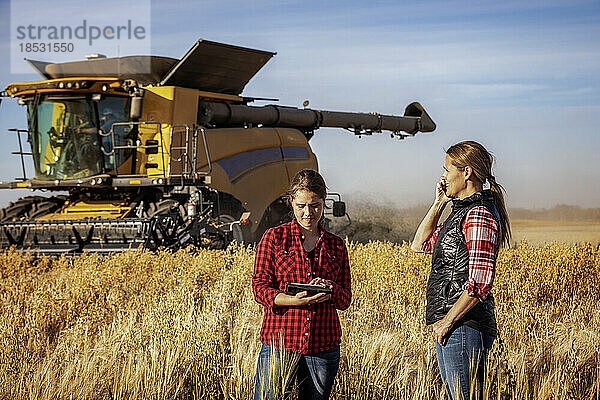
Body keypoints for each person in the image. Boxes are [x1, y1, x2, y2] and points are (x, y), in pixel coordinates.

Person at [411, 141, 511, 400]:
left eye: (447, 170)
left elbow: (479, 283)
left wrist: (448, 321)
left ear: (466, 172)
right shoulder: (460, 213)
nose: (443, 177)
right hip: (453, 325)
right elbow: (419, 244)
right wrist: (438, 203)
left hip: (464, 326)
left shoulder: (478, 215)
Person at [252, 169, 352, 400]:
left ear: (323, 202)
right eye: (301, 206)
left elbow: (345, 298)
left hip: (323, 345)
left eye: (315, 205)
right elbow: (260, 287)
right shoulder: (274, 238)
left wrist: (329, 288)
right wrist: (292, 300)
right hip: (280, 342)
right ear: (291, 202)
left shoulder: (336, 246)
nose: (308, 212)